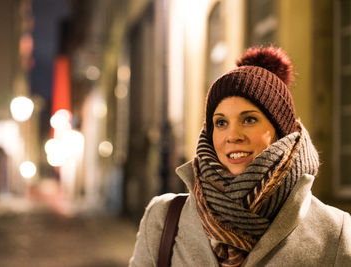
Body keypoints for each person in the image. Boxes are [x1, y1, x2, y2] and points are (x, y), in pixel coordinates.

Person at [129, 46, 351, 266]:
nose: (232, 136)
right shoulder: (164, 219)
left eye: (249, 119)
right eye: (221, 123)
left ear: (280, 130)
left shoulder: (336, 233)